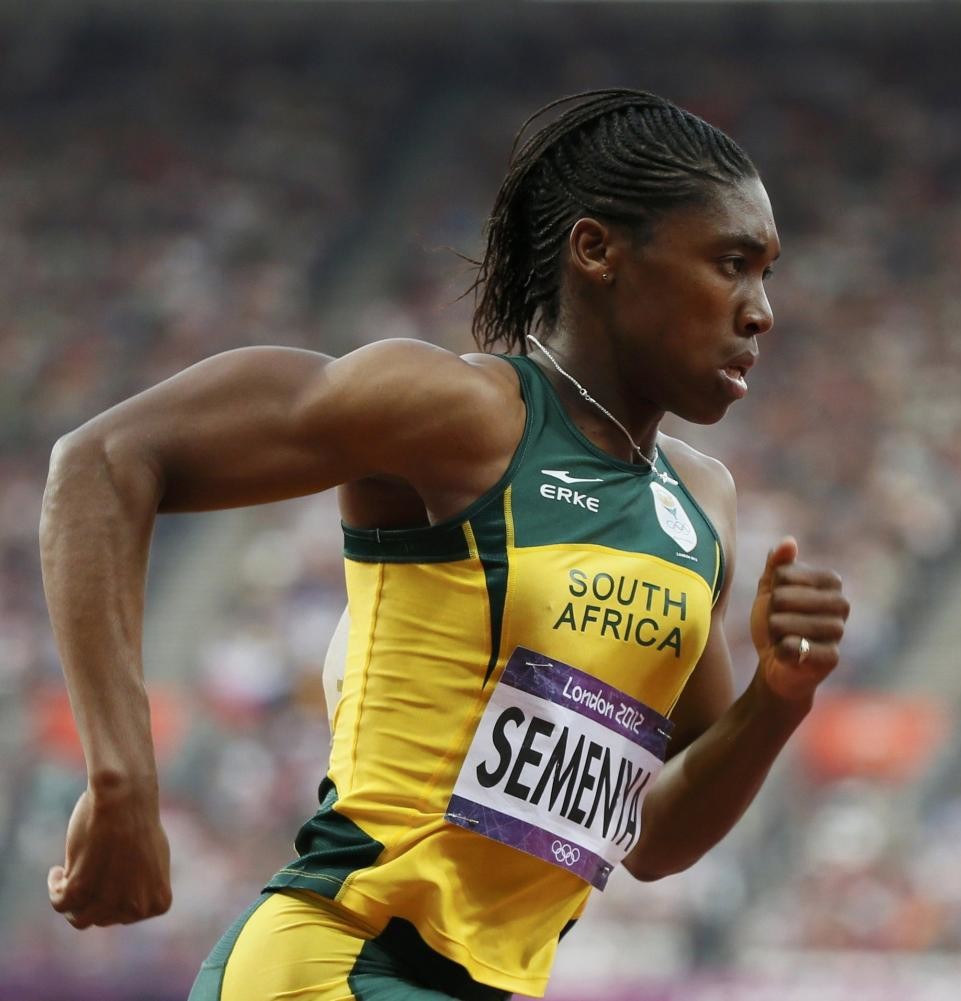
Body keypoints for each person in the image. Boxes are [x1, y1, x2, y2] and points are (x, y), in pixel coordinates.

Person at [40, 89, 849, 1000]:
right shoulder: (459, 414)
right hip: (339, 960)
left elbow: (654, 834)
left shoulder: (701, 504)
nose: (761, 311)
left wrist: (778, 699)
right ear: (597, 251)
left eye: (766, 274)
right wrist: (121, 777)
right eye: (732, 264)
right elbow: (103, 462)